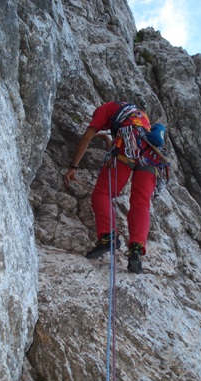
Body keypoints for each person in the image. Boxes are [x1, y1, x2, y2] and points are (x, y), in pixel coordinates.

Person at [63, 101, 166, 274]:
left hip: (128, 144)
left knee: (102, 193)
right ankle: (136, 252)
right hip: (151, 154)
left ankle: (108, 237)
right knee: (141, 203)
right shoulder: (136, 115)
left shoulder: (104, 109)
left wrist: (73, 167)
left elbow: (88, 136)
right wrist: (107, 139)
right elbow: (130, 142)